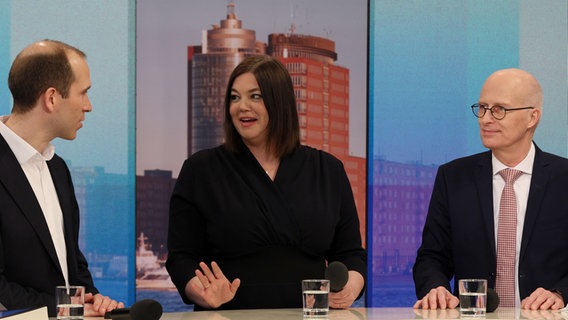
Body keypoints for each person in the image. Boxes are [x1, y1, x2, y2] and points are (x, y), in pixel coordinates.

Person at [166, 55, 366, 310]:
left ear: (279, 102)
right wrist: (199, 292)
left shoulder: (328, 169)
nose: (242, 106)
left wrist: (350, 288)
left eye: (255, 96)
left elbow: (351, 255)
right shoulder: (200, 169)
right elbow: (181, 257)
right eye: (235, 97)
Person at [413, 68, 568, 311]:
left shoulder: (563, 178)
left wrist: (560, 294)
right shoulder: (452, 177)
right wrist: (436, 288)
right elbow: (431, 257)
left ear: (532, 117)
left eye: (499, 109)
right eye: (482, 107)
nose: (485, 118)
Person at [0, 39, 124, 316]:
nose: (88, 106)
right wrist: (67, 309)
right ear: (52, 98)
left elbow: (72, 267)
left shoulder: (57, 168)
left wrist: (92, 299)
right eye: (83, 93)